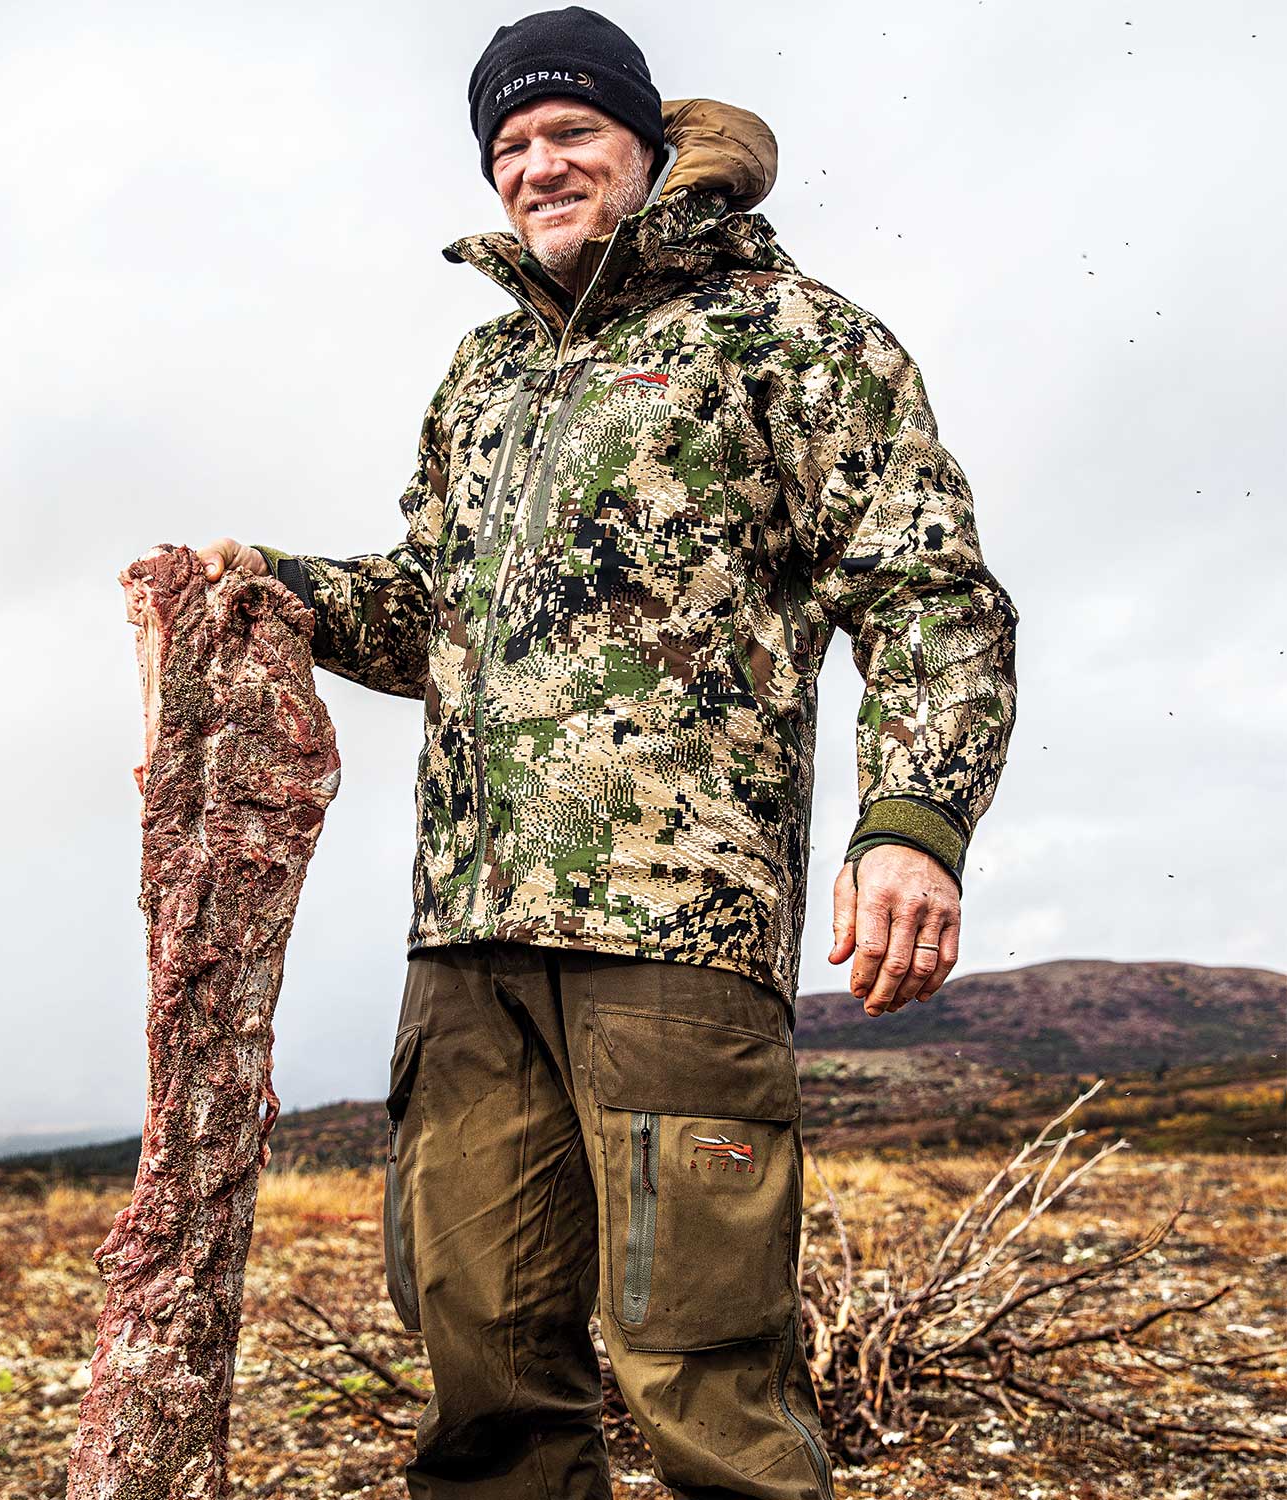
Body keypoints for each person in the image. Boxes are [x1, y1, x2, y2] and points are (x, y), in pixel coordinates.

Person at [201, 7, 1017, 1496]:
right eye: (508, 145)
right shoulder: (485, 378)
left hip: (673, 937)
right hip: (466, 945)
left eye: (570, 131)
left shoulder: (793, 336)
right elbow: (432, 615)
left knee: (705, 1382)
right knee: (482, 1368)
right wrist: (266, 583)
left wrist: (915, 822)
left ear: (651, 144)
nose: (536, 165)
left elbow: (926, 591)